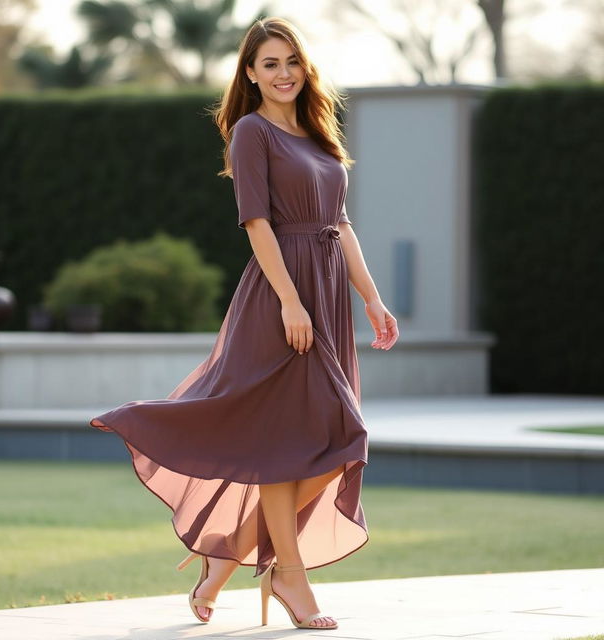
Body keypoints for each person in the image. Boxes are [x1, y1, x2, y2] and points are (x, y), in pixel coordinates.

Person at [89, 15, 398, 631]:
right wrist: (289, 301)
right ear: (250, 75)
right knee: (308, 443)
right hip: (283, 298)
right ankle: (289, 574)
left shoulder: (315, 131)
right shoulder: (251, 133)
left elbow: (340, 224)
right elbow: (257, 224)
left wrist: (371, 298)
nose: (283, 74)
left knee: (328, 445)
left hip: (328, 297)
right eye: (269, 65)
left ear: (304, 66)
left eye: (291, 62)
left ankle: (225, 555)